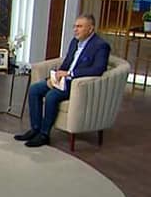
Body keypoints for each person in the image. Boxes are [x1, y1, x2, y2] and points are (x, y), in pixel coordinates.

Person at [14, 14, 110, 148]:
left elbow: (98, 69)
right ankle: (35, 129)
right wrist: (53, 78)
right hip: (63, 81)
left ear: (90, 29)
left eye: (79, 26)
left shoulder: (101, 46)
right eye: (74, 26)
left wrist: (70, 74)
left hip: (78, 85)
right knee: (34, 89)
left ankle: (44, 134)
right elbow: (67, 63)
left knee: (51, 96)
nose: (75, 30)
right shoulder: (74, 42)